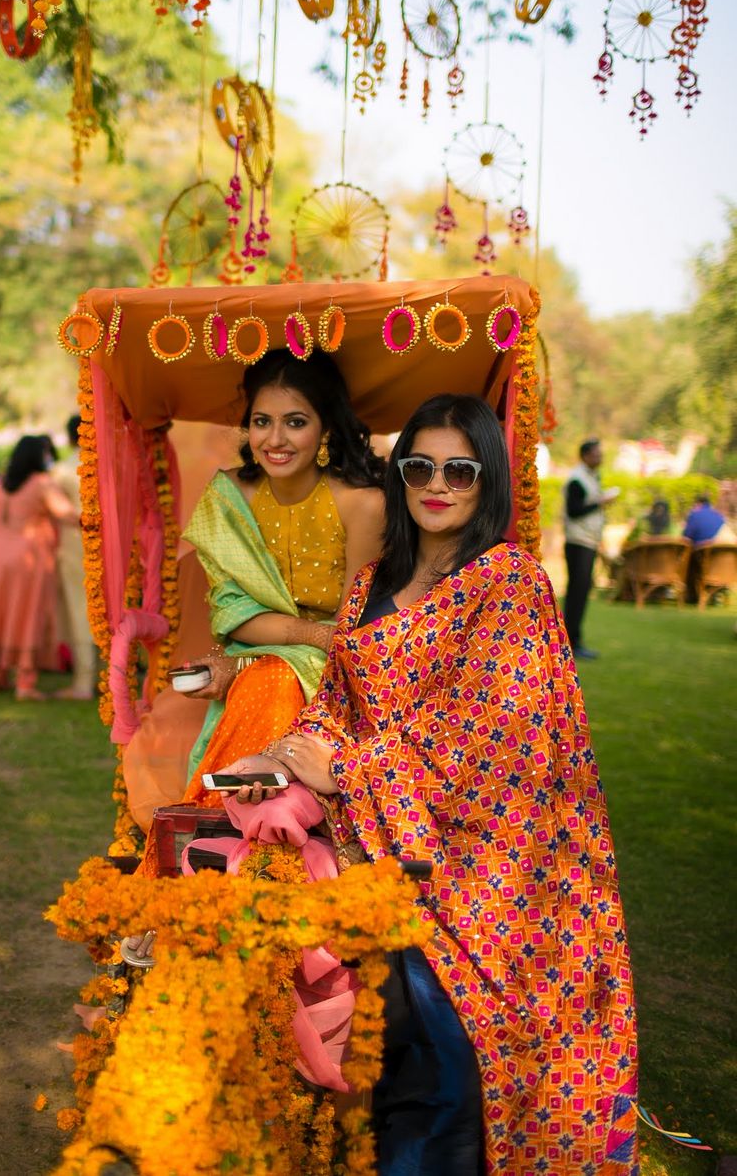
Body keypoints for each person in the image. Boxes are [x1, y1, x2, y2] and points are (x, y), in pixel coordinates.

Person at [231, 394, 637, 1174]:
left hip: (486, 871)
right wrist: (280, 760)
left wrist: (344, 770)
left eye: (460, 467)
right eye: (419, 466)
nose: (438, 483)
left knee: (445, 1059)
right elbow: (338, 707)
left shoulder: (506, 580)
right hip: (381, 850)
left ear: (491, 478)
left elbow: (490, 736)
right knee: (383, 1056)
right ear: (399, 473)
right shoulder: (369, 587)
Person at [124, 348, 386, 822]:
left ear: (326, 429)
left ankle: (214, 827)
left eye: (296, 422)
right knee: (249, 685)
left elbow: (352, 630)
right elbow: (232, 611)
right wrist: (288, 641)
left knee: (275, 680)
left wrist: (267, 654)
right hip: (254, 654)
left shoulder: (362, 505)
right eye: (262, 421)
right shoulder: (231, 496)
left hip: (340, 669)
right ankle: (223, 831)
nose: (276, 439)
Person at [0, 435, 79, 700]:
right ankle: (25, 683)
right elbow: (68, 515)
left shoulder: (2, 483)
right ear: (38, 456)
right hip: (30, 557)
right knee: (27, 615)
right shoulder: (42, 484)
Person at [50, 415, 98, 699]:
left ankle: (83, 682)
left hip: (74, 547)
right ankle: (114, 679)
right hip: (112, 548)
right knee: (110, 611)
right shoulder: (113, 463)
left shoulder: (61, 470)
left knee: (80, 610)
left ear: (69, 438)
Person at [562, 437, 619, 660]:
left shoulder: (592, 477)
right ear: (585, 456)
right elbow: (574, 511)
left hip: (589, 541)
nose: (600, 457)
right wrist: (601, 502)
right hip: (578, 542)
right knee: (577, 592)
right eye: (596, 454)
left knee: (582, 591)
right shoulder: (577, 479)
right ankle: (570, 643)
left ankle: (574, 640)